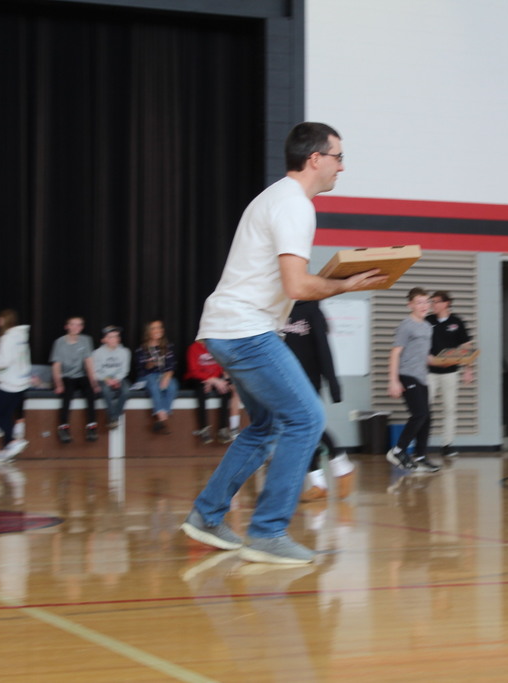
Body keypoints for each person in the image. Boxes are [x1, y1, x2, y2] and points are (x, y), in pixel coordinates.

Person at [180, 121, 386, 565]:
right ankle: (268, 530)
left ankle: (206, 515)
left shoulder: (276, 197)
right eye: (338, 158)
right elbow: (296, 286)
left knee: (267, 425)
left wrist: (337, 282)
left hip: (226, 327)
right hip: (245, 329)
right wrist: (346, 285)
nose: (342, 168)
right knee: (307, 418)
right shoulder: (295, 205)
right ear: (316, 159)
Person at [283, 299, 357, 501]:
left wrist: (333, 383)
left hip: (308, 379)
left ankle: (340, 464)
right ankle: (318, 482)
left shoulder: (310, 310)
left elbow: (323, 348)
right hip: (285, 379)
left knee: (308, 426)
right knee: (300, 432)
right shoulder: (280, 308)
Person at [386, 287, 441, 473]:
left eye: (426, 302)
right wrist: (393, 381)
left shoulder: (427, 327)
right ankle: (398, 451)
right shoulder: (406, 325)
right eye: (419, 302)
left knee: (427, 418)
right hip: (407, 375)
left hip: (422, 377)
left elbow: (426, 357)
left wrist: (451, 359)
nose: (424, 306)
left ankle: (421, 457)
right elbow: (395, 353)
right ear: (410, 305)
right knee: (420, 414)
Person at [426, 290, 474, 458]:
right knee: (424, 409)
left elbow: (467, 347)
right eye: (431, 302)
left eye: (436, 301)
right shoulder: (427, 321)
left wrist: (468, 370)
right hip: (429, 372)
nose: (433, 305)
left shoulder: (457, 322)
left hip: (450, 372)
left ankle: (447, 445)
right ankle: (421, 444)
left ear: (446, 303)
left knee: (450, 409)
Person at [0, 310, 31, 463]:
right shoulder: (20, 337)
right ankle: (7, 450)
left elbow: (4, 361)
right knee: (6, 416)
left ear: (5, 320)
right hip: (21, 382)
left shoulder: (8, 338)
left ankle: (13, 441)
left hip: (9, 383)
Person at [50, 316, 100, 443]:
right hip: (66, 375)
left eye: (79, 325)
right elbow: (56, 366)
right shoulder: (60, 342)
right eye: (73, 324)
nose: (75, 327)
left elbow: (88, 363)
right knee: (67, 394)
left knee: (90, 392)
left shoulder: (86, 340)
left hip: (81, 375)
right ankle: (63, 427)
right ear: (67, 326)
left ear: (82, 327)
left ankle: (91, 426)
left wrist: (94, 383)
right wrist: (59, 384)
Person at [185, 339, 241, 444]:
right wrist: (209, 379)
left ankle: (222, 429)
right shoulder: (193, 348)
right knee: (201, 390)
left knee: (225, 389)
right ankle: (204, 428)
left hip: (214, 378)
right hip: (197, 378)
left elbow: (219, 366)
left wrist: (214, 380)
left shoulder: (215, 347)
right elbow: (194, 371)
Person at [134, 320, 178, 434]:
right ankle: (162, 416)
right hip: (147, 377)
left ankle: (160, 419)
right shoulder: (142, 349)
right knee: (154, 384)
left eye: (159, 328)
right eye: (154, 328)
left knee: (173, 385)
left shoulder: (168, 347)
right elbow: (140, 370)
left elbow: (171, 366)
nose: (158, 330)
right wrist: (150, 365)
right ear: (149, 331)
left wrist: (167, 377)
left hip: (163, 375)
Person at [92, 326, 131, 430]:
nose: (114, 339)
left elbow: (124, 370)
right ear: (104, 340)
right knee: (105, 391)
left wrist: (117, 379)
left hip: (119, 378)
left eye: (116, 336)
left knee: (126, 391)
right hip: (103, 379)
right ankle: (114, 417)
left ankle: (114, 417)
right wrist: (107, 380)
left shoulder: (125, 352)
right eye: (110, 337)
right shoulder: (97, 353)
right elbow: (95, 371)